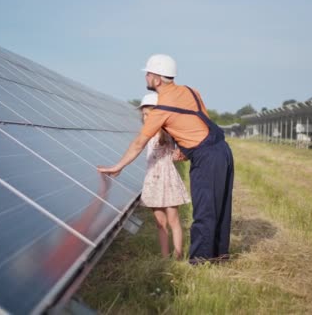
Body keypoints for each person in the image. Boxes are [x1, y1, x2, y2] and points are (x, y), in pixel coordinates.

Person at [98, 54, 234, 263]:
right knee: (221, 206)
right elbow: (200, 123)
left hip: (206, 156)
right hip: (222, 149)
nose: (146, 77)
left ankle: (200, 262)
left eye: (148, 74)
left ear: (157, 79)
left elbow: (138, 143)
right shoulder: (191, 91)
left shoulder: (161, 110)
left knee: (205, 209)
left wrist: (118, 166)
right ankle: (219, 256)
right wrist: (186, 147)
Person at [137, 92, 190, 259]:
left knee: (173, 220)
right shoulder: (145, 133)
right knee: (160, 223)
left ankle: (178, 254)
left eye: (149, 114)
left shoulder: (167, 132)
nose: (146, 118)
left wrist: (180, 152)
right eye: (144, 115)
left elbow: (183, 145)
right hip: (153, 180)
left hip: (168, 180)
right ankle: (165, 256)